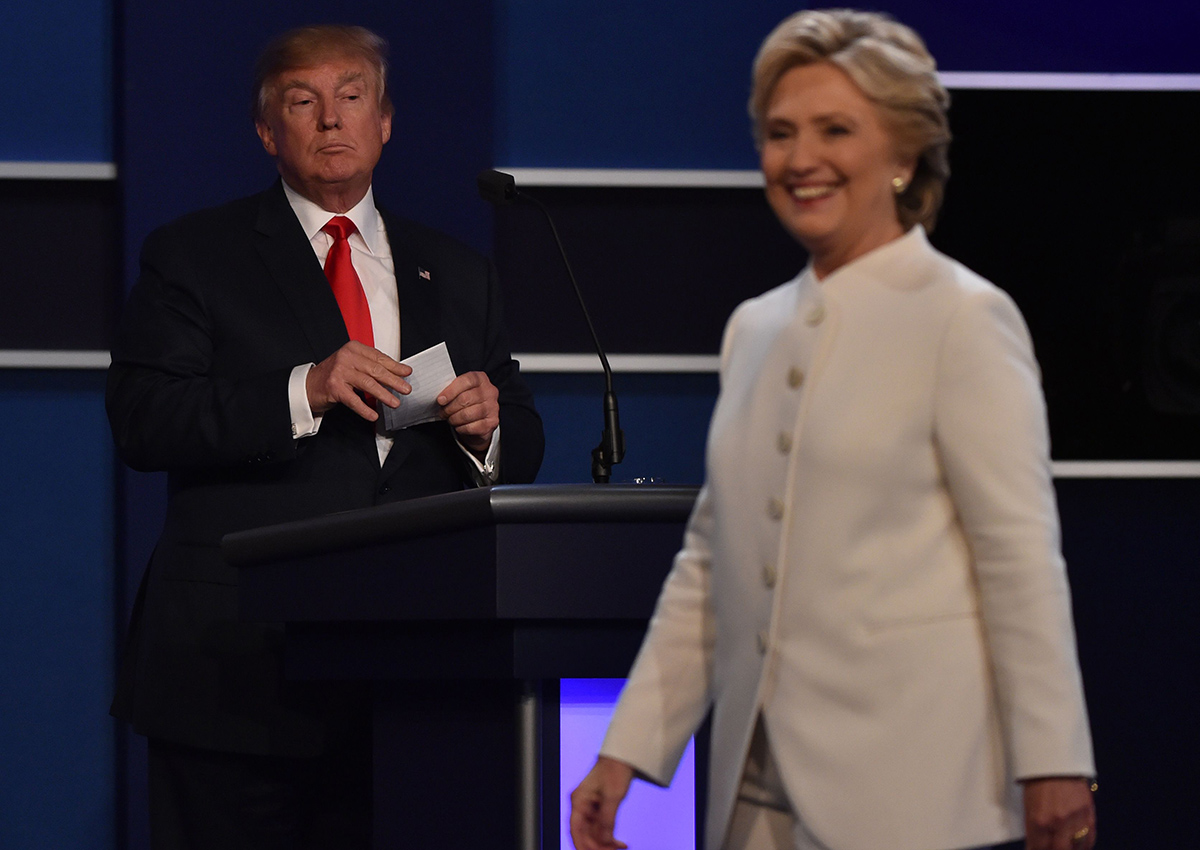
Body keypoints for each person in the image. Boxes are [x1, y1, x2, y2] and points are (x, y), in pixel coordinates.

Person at [569, 9, 1095, 850]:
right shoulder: (755, 327)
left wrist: (1055, 759)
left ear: (903, 154)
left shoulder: (964, 317)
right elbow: (713, 562)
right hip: (752, 801)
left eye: (835, 130)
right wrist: (624, 753)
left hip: (913, 798)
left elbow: (1019, 557)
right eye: (780, 133)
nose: (801, 158)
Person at [107, 24, 543, 848]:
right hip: (236, 668)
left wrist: (489, 430)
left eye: (351, 97)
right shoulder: (195, 256)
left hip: (414, 672)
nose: (330, 120)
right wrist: (302, 388)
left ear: (385, 122)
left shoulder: (454, 269)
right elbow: (143, 418)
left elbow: (518, 430)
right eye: (302, 102)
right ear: (268, 132)